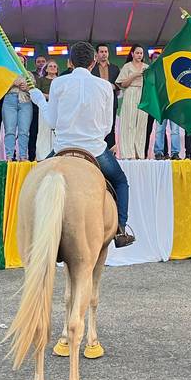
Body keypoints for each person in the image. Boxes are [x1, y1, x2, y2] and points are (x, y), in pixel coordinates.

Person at [30, 41, 135, 247]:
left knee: (35, 180)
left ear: (69, 62)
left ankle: (32, 228)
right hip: (95, 150)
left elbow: (51, 122)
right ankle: (121, 230)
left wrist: (40, 100)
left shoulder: (58, 83)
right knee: (121, 181)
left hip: (62, 149)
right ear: (93, 61)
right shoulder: (105, 86)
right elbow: (106, 128)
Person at [115, 45, 149, 159]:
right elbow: (122, 84)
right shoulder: (127, 66)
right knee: (128, 124)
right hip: (130, 92)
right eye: (137, 53)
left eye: (141, 53)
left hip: (143, 95)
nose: (139, 55)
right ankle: (127, 153)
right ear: (132, 54)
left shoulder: (147, 67)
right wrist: (134, 75)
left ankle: (139, 153)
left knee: (141, 124)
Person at [2, 57, 35, 161]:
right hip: (9, 101)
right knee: (10, 131)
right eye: (18, 60)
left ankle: (23, 156)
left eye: (22, 61)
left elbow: (35, 89)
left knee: (24, 131)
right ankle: (9, 156)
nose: (20, 62)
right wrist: (13, 83)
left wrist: (27, 87)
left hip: (25, 101)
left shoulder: (29, 74)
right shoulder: (7, 73)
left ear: (24, 63)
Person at [91, 44, 121, 151]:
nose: (104, 54)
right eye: (101, 52)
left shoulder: (114, 68)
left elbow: (119, 84)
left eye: (106, 52)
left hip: (111, 101)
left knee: (111, 127)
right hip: (96, 101)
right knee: (96, 126)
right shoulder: (92, 68)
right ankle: (96, 152)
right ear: (97, 54)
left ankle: (111, 153)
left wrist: (113, 86)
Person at [35, 61, 59, 159]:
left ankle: (56, 152)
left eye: (54, 66)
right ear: (46, 69)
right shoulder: (41, 80)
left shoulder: (60, 80)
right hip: (45, 106)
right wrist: (50, 97)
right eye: (50, 66)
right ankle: (42, 155)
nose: (53, 68)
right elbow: (38, 93)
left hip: (58, 107)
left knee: (56, 130)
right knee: (44, 130)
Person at [28, 55, 48, 162]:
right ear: (35, 63)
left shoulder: (54, 78)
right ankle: (32, 157)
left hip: (48, 110)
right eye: (39, 61)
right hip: (35, 109)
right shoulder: (32, 75)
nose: (41, 63)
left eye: (43, 61)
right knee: (33, 132)